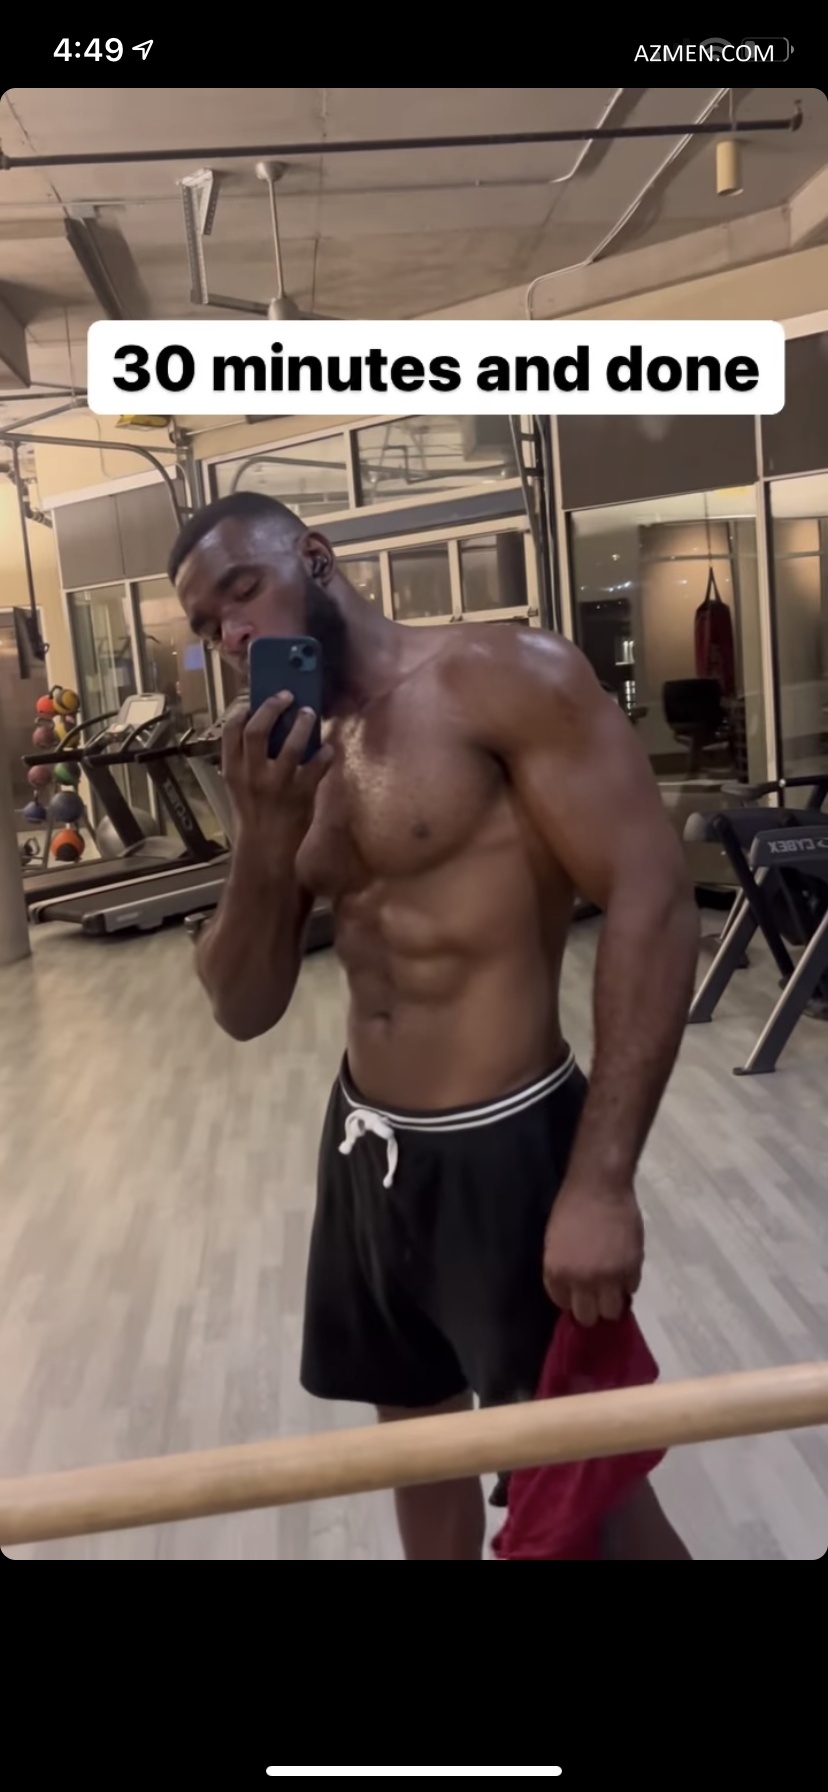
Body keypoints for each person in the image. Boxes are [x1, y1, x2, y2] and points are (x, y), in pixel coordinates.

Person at [170, 490, 700, 1562]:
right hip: (367, 1149)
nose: (231, 633)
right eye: (207, 623)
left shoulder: (501, 678)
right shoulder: (282, 752)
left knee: (586, 1498)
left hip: (509, 1149)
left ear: (315, 557)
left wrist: (601, 1181)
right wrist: (263, 836)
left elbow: (653, 898)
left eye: (242, 589)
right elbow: (242, 1006)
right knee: (418, 1449)